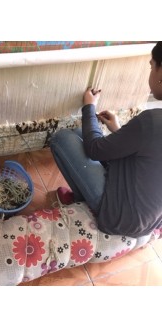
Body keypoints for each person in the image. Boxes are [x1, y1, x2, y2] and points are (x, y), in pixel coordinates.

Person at [50, 41, 162, 239]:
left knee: (63, 139)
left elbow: (95, 149)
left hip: (120, 216)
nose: (150, 71)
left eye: (151, 65)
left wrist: (89, 108)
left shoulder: (153, 122)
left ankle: (83, 201)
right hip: (149, 218)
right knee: (79, 133)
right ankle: (84, 196)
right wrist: (118, 129)